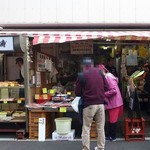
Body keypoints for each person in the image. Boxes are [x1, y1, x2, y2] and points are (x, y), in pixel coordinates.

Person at [75, 57, 108, 150]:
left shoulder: (82, 75)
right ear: (92, 65)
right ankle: (101, 147)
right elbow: (107, 87)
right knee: (101, 128)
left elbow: (77, 93)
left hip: (89, 105)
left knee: (86, 128)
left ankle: (86, 148)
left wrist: (85, 91)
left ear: (84, 66)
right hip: (101, 104)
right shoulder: (100, 72)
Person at [98, 64, 123, 141]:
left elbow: (113, 91)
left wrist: (103, 94)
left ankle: (113, 136)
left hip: (114, 103)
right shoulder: (109, 76)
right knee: (112, 119)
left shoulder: (108, 77)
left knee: (113, 120)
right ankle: (110, 134)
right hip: (115, 102)